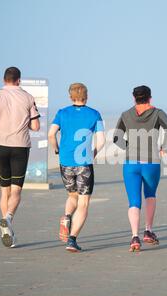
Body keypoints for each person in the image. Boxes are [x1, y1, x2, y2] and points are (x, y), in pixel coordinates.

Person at [0, 67, 41, 248]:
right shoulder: (28, 97)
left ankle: (6, 228)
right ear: (19, 80)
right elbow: (36, 126)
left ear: (4, 79)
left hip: (0, 146)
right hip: (20, 147)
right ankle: (8, 219)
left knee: (4, 190)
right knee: (16, 190)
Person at [113, 85, 167, 252]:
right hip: (151, 162)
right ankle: (148, 230)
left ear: (134, 98)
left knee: (134, 202)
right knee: (150, 195)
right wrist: (164, 147)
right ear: (150, 98)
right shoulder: (157, 113)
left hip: (131, 164)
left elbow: (116, 137)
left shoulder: (126, 114)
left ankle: (134, 237)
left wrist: (129, 147)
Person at [48, 83, 105, 253]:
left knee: (72, 196)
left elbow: (51, 134)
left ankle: (66, 217)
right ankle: (72, 240)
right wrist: (92, 154)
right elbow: (101, 141)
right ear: (86, 96)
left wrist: (56, 148)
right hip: (84, 164)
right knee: (84, 202)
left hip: (65, 162)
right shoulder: (94, 114)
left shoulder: (62, 112)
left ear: (70, 96)